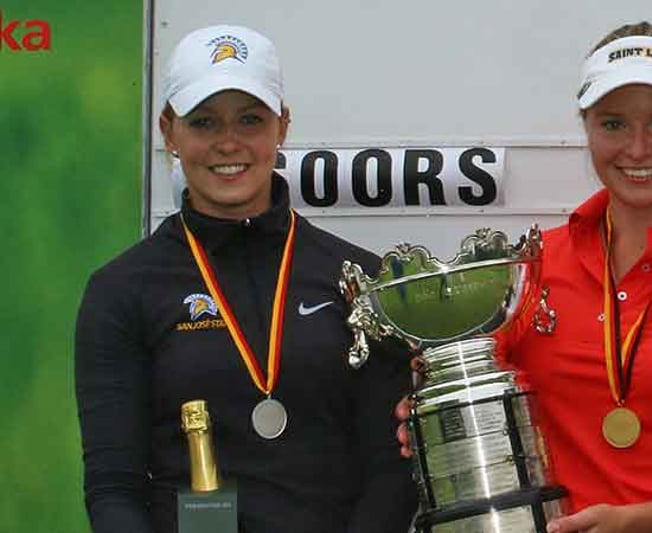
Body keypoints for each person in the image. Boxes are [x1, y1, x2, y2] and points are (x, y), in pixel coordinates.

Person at [395, 21, 652, 533]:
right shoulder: (527, 269)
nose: (638, 149)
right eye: (613, 124)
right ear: (586, 124)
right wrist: (445, 422)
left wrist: (639, 521)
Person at [74, 25, 417, 533]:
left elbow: (393, 470)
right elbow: (113, 487)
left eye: (250, 119)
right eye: (204, 122)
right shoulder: (121, 290)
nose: (227, 143)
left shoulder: (361, 278)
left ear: (283, 125)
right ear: (169, 131)